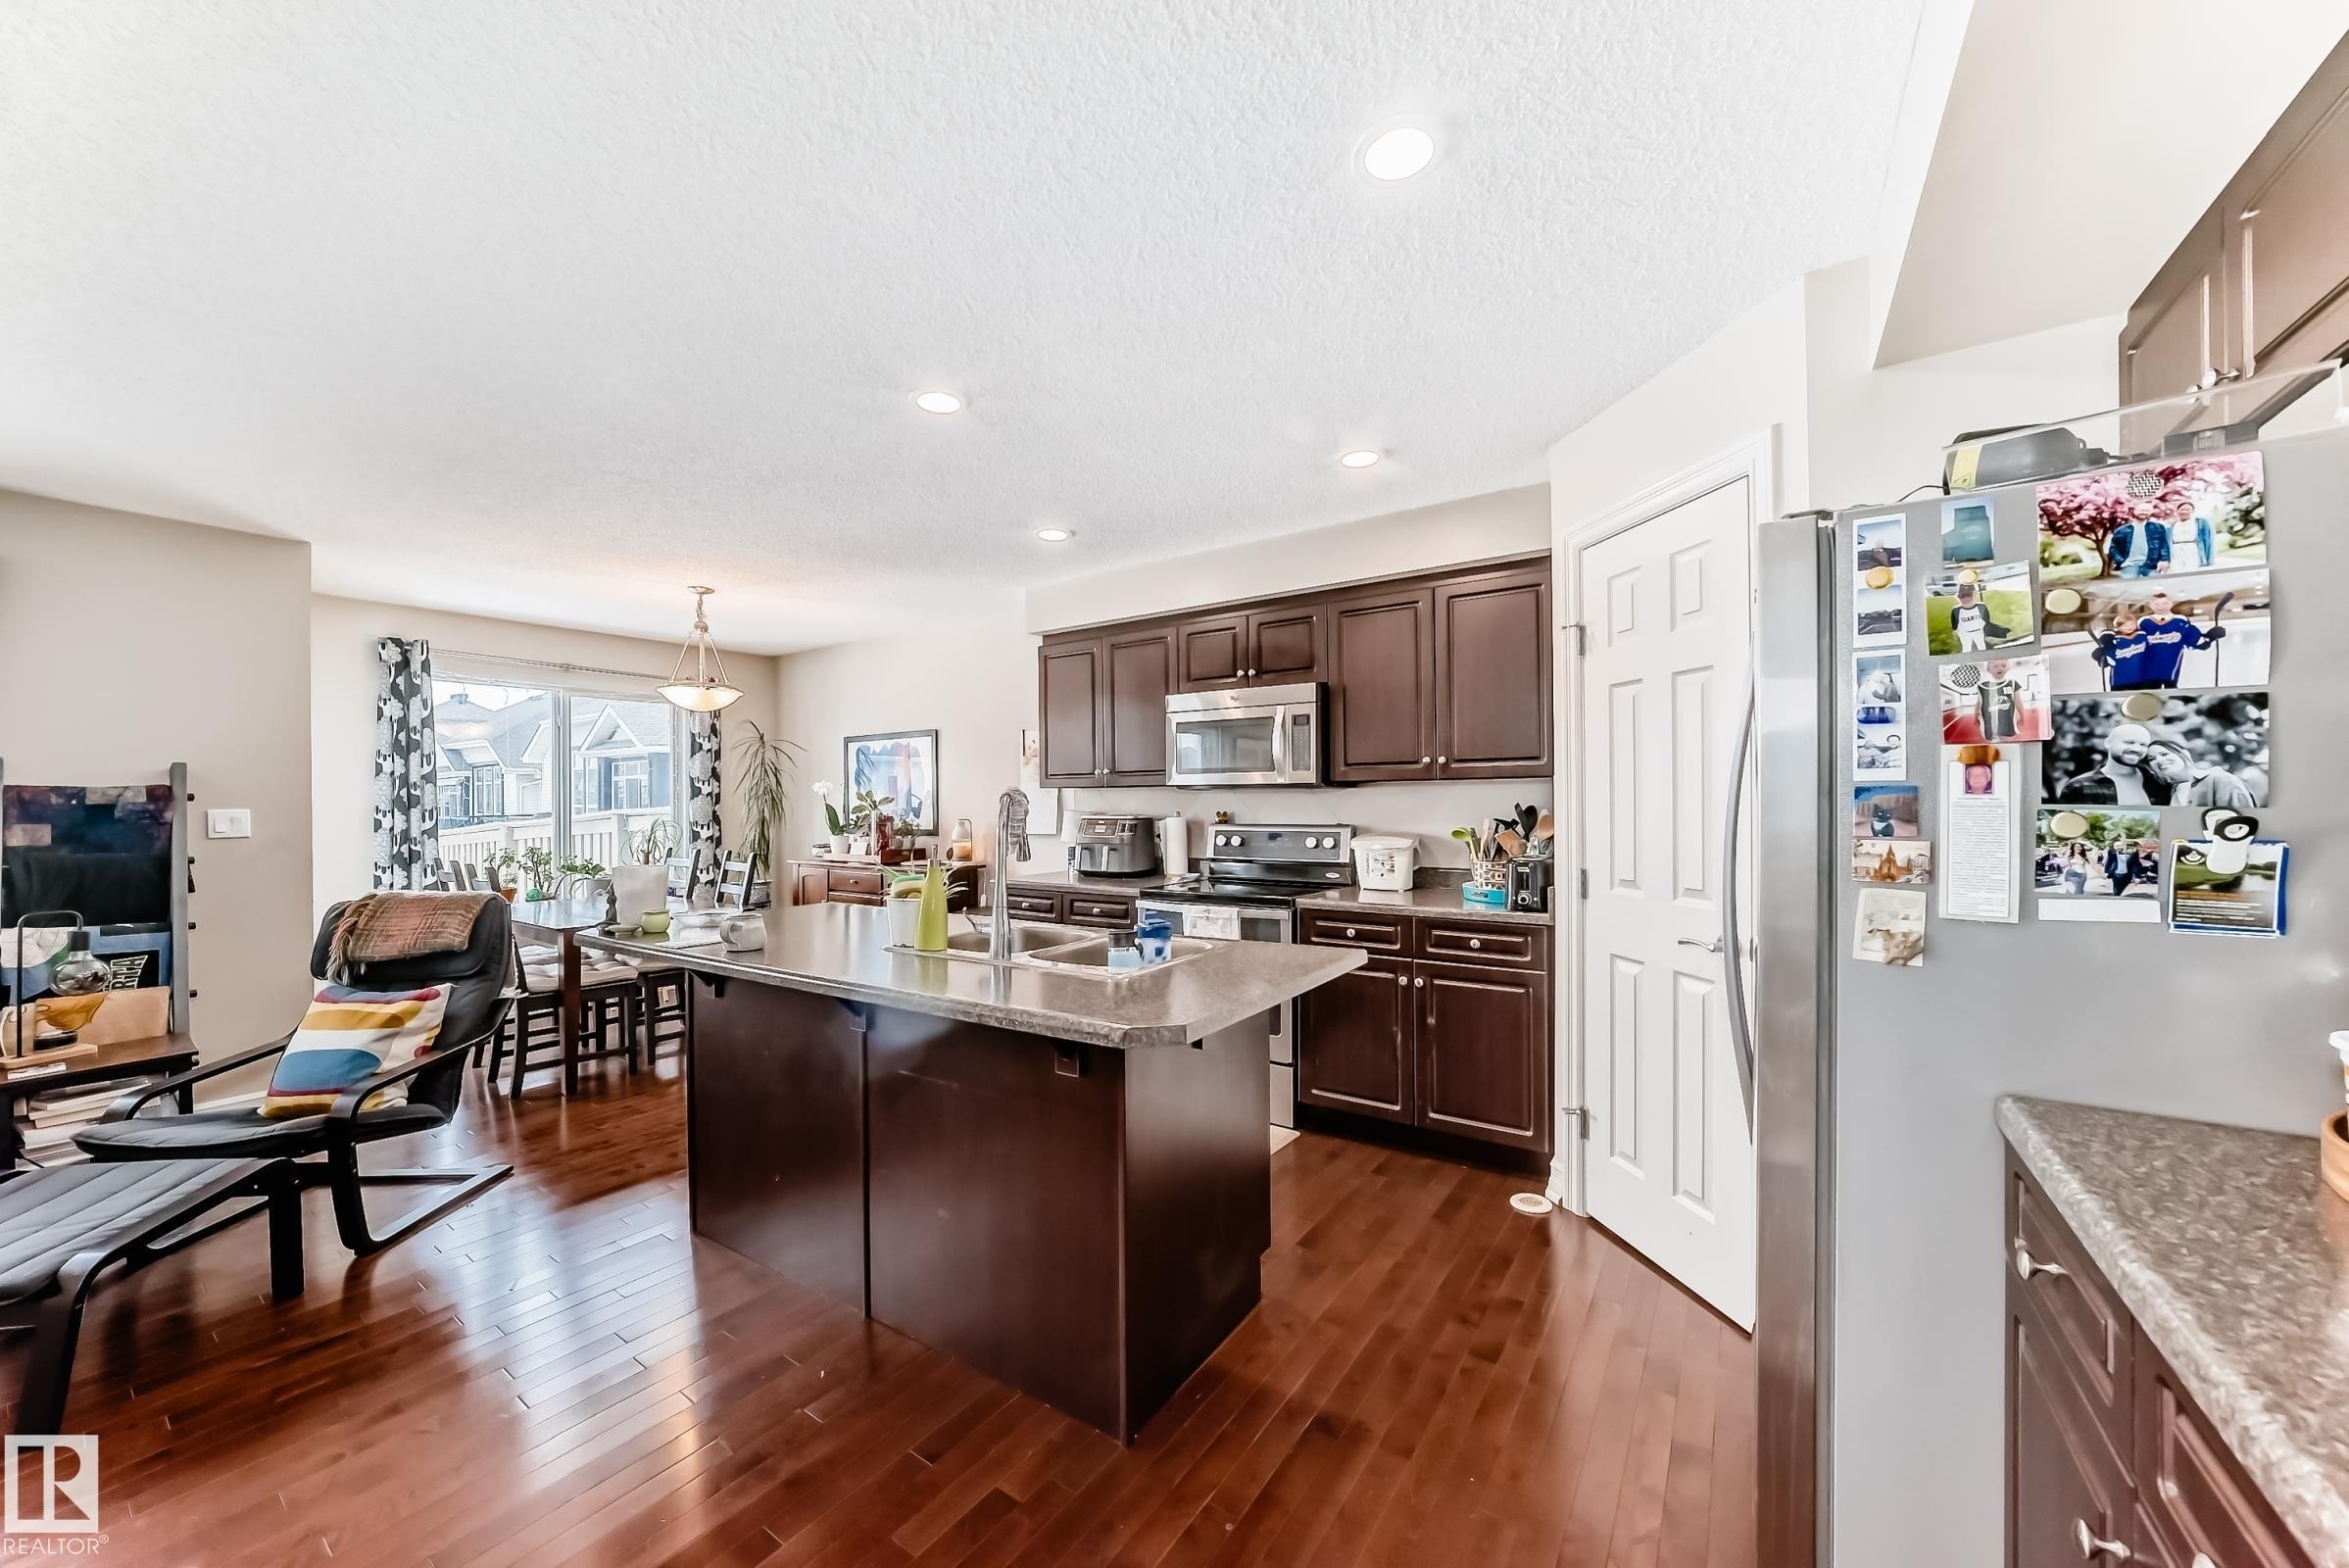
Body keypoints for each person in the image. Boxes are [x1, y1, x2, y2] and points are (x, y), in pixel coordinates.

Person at [2116, 589, 2226, 690]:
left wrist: (2210, 637)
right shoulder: (2143, 622)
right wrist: (2107, 646)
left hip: (2171, 670)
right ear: (2150, 605)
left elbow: (2192, 642)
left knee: (2171, 696)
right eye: (2157, 604)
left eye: (2165, 603)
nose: (2161, 606)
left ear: (2171, 603)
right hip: (2147, 672)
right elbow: (2128, 639)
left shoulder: (2180, 620)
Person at [2056, 721, 2161, 805]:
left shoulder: (2158, 783)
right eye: (2129, 742)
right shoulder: (2079, 786)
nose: (2136, 749)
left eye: (2143, 745)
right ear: (2108, 743)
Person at [2141, 737, 2256, 810]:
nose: (2159, 760)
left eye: (2165, 754)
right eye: (2152, 759)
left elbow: (2241, 819)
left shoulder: (2219, 779)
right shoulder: (2175, 790)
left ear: (2185, 754)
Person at [1973, 660, 2028, 743]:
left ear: (2008, 667)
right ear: (1988, 669)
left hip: (2006, 719)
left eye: (2003, 665)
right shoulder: (1982, 686)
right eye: (1995, 666)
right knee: (1989, 738)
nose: (2000, 668)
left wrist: (2023, 716)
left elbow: (2018, 701)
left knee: (2005, 738)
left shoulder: (2012, 683)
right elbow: (1979, 702)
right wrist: (1974, 717)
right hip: (1988, 719)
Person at [2107, 509, 2173, 578]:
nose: (2144, 512)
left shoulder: (2158, 528)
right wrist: (2122, 561)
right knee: (2130, 588)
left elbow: (2163, 545)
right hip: (2130, 566)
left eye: (2146, 510)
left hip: (2152, 565)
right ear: (2134, 511)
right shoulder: (2122, 530)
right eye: (2141, 510)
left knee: (2153, 587)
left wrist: (2165, 560)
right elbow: (2113, 549)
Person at [1948, 581, 2010, 653]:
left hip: (1978, 631)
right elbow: (1954, 626)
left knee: (1981, 646)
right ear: (1959, 598)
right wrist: (1959, 632)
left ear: (1974, 595)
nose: (1966, 600)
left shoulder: (1981, 607)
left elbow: (1986, 620)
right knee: (1966, 648)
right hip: (1965, 633)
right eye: (1963, 596)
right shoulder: (1956, 610)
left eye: (1969, 595)